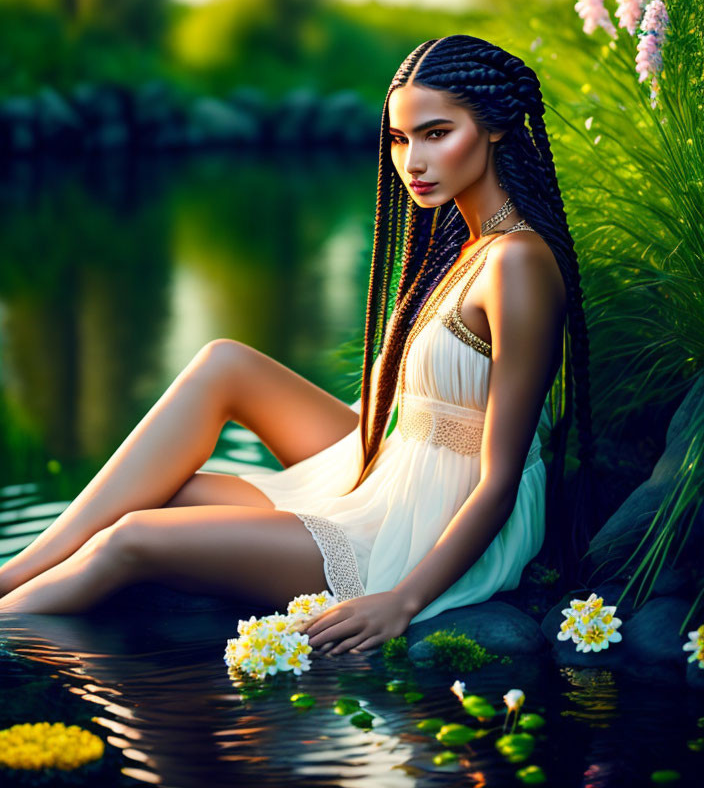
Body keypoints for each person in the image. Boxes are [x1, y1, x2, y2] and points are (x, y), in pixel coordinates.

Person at [0, 35, 595, 660]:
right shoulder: (464, 242)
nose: (412, 161)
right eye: (399, 138)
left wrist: (403, 601)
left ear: (496, 129)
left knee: (133, 535)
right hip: (397, 464)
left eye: (436, 133)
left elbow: (499, 481)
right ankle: (16, 575)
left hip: (432, 520)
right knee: (221, 373)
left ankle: (8, 618)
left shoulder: (519, 264)